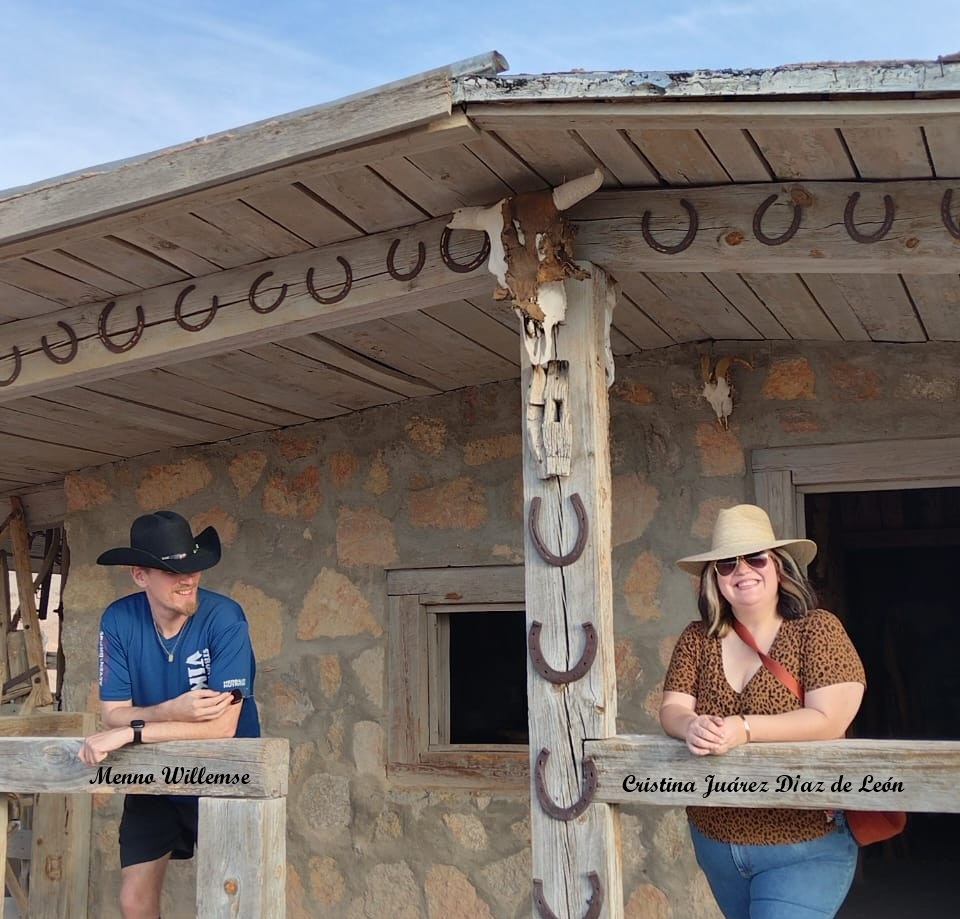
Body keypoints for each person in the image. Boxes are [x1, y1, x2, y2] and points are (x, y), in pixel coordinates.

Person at [660, 504, 865, 919]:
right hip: (716, 840)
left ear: (780, 568)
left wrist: (744, 728)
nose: (742, 570)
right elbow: (672, 708)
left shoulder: (817, 629)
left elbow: (830, 719)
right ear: (713, 579)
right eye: (726, 563)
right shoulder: (698, 638)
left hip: (803, 841)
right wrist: (691, 726)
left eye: (756, 558)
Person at [78, 510, 260, 919]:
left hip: (223, 774)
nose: (189, 578)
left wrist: (133, 733)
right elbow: (112, 713)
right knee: (133, 901)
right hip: (154, 775)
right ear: (140, 575)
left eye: (194, 567)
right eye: (171, 570)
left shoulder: (225, 618)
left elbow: (222, 728)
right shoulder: (119, 619)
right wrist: (169, 710)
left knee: (231, 897)